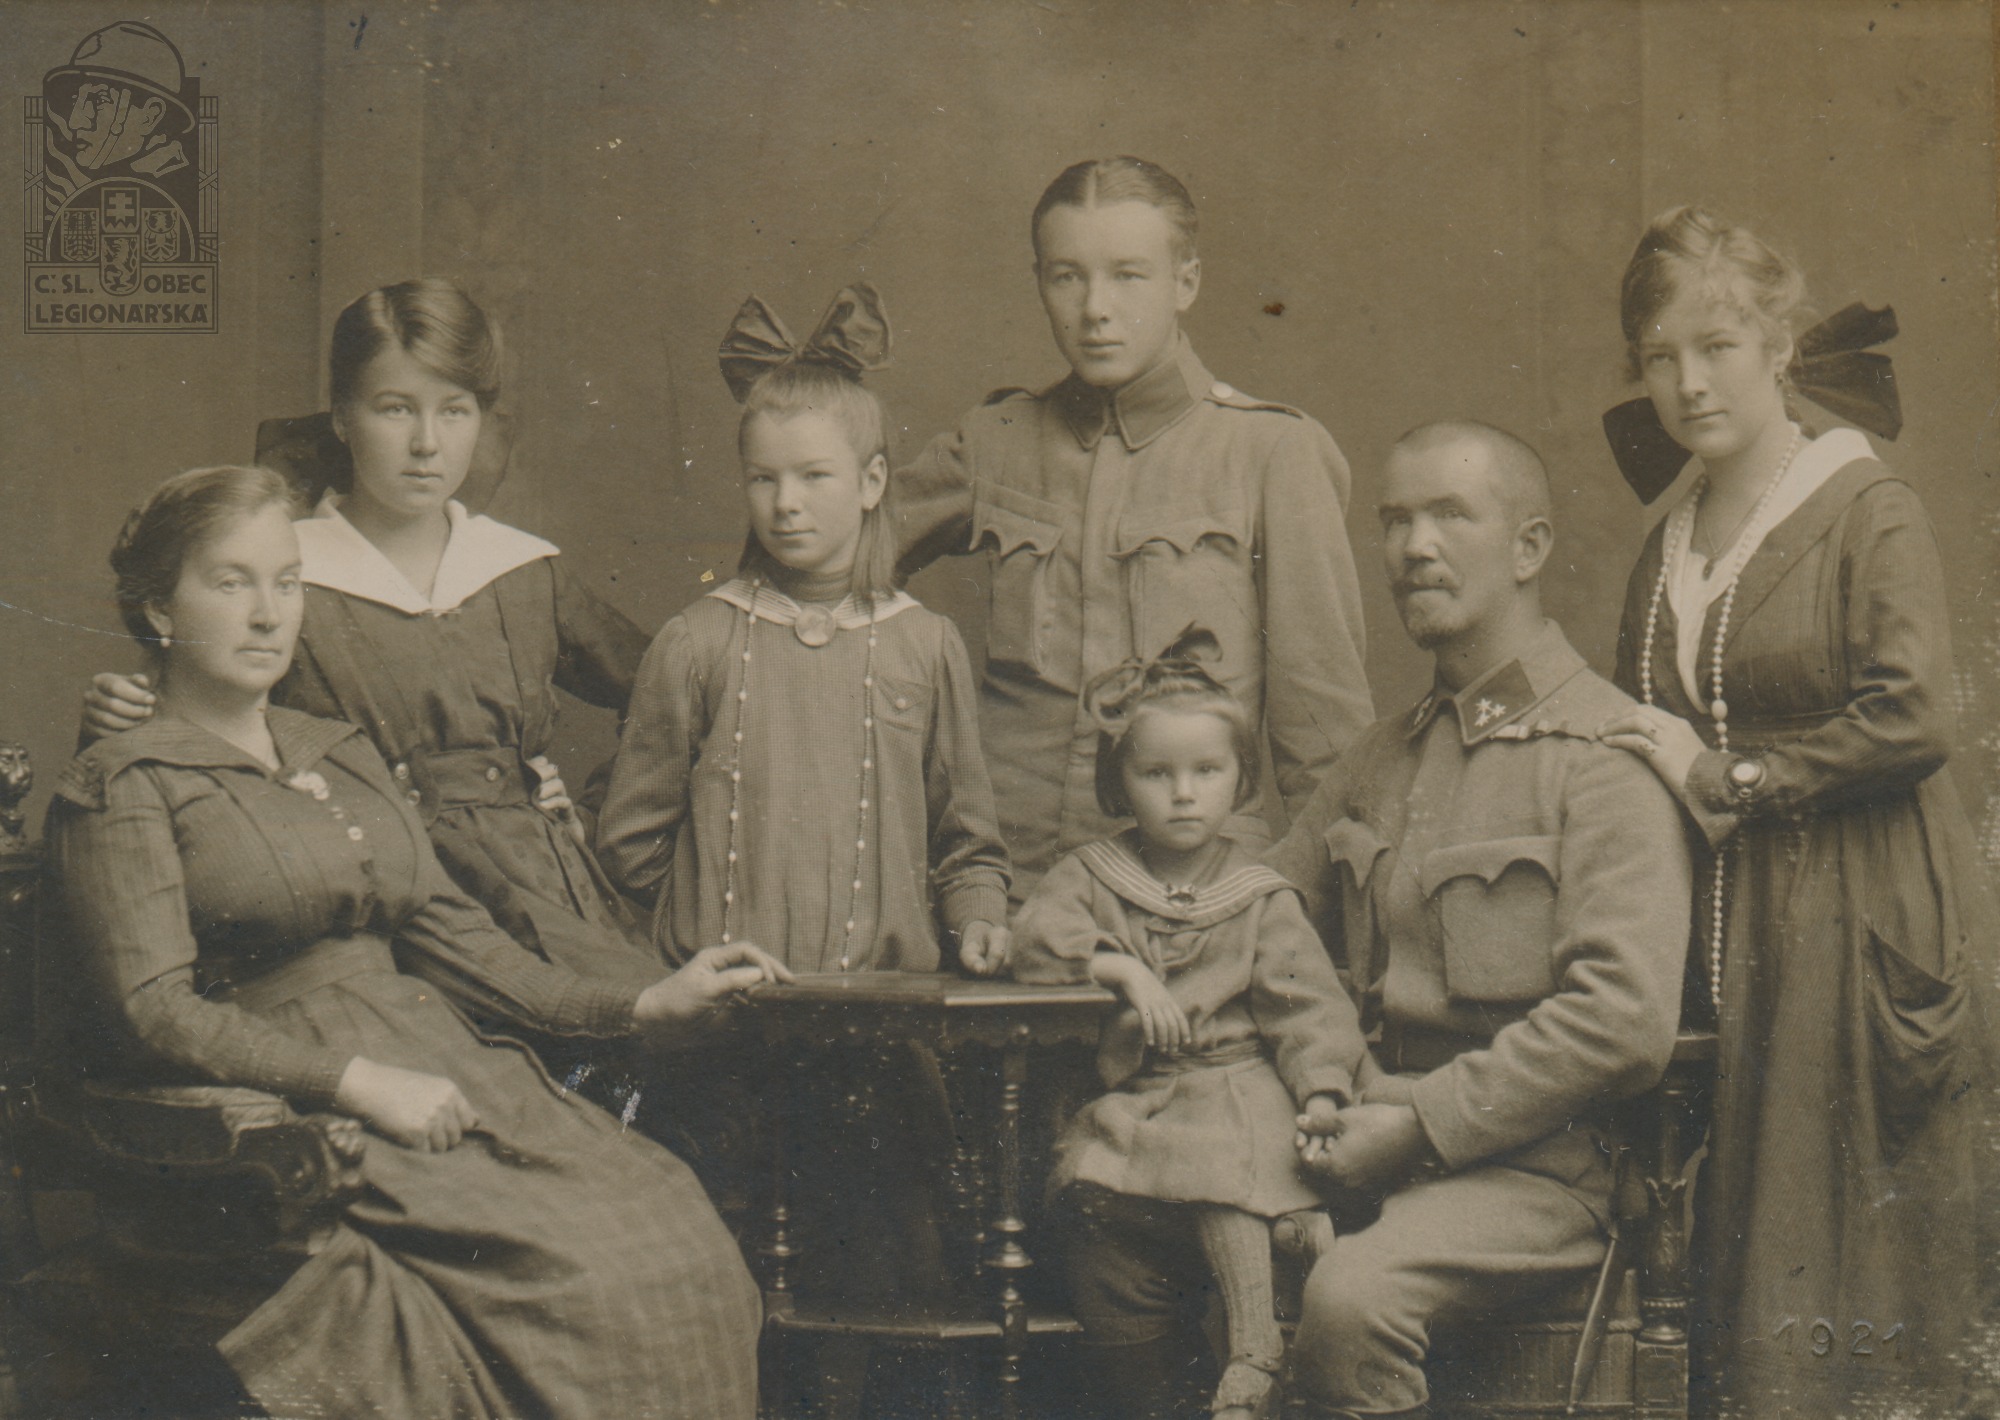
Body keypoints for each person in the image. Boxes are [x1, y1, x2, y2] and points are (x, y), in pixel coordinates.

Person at [48, 464, 788, 1417]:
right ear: (159, 609)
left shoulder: (338, 750)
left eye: (287, 582)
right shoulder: (126, 782)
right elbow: (153, 1009)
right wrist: (354, 1082)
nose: (269, 615)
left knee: (674, 1226)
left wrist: (645, 1002)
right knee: (576, 1282)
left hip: (450, 1068)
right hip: (304, 1108)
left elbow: (463, 942)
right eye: (231, 584)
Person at [1181, 420, 1685, 1420]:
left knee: (1350, 1298)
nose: (1413, 547)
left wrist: (1417, 1126)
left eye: (1450, 515)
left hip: (1540, 1174)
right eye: (1394, 520)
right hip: (1357, 1143)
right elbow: (1259, 915)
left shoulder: (1602, 757)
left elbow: (1621, 1019)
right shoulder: (1380, 756)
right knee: (1120, 1240)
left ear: (1529, 547)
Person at [1595, 206, 1999, 1420]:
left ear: (1778, 346)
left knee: (1852, 1251)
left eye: (1716, 346)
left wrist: (1734, 780)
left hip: (1864, 913)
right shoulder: (1666, 542)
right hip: (1732, 933)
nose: (1687, 382)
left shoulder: (1862, 506)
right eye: (1660, 356)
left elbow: (1912, 717)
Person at [83, 278, 661, 1009]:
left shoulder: (521, 570)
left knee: (652, 1028)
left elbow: (672, 699)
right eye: (395, 409)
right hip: (364, 909)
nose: (427, 444)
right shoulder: (281, 573)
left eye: (454, 410)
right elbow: (187, 740)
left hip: (543, 894)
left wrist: (595, 818)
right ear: (342, 416)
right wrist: (120, 715)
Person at [896, 156, 1372, 899]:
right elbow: (825, 559)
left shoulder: (1272, 452)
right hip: (1007, 891)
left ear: (1186, 282)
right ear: (1039, 282)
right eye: (1067, 277)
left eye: (1128, 276)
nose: (1095, 308)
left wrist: (1298, 915)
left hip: (1194, 900)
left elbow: (1326, 738)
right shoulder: (994, 441)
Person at [598, 283, 1011, 975]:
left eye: (814, 476)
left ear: (872, 481)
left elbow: (966, 841)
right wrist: (709, 915)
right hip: (726, 1006)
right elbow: (631, 845)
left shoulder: (924, 644)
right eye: (764, 479)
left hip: (885, 1001)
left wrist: (977, 917)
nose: (786, 503)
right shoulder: (698, 642)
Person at [1010, 626, 1363, 1420]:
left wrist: (1323, 1092)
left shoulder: (1257, 895)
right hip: (1146, 1093)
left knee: (1221, 1153)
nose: (1183, 794)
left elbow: (1309, 1009)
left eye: (1207, 771)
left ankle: (1255, 1348)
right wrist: (1121, 969)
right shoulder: (1094, 876)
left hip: (1242, 1087)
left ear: (1240, 780)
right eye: (1156, 773)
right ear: (1118, 784)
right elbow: (1035, 939)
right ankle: (1287, 1238)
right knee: (1100, 1184)